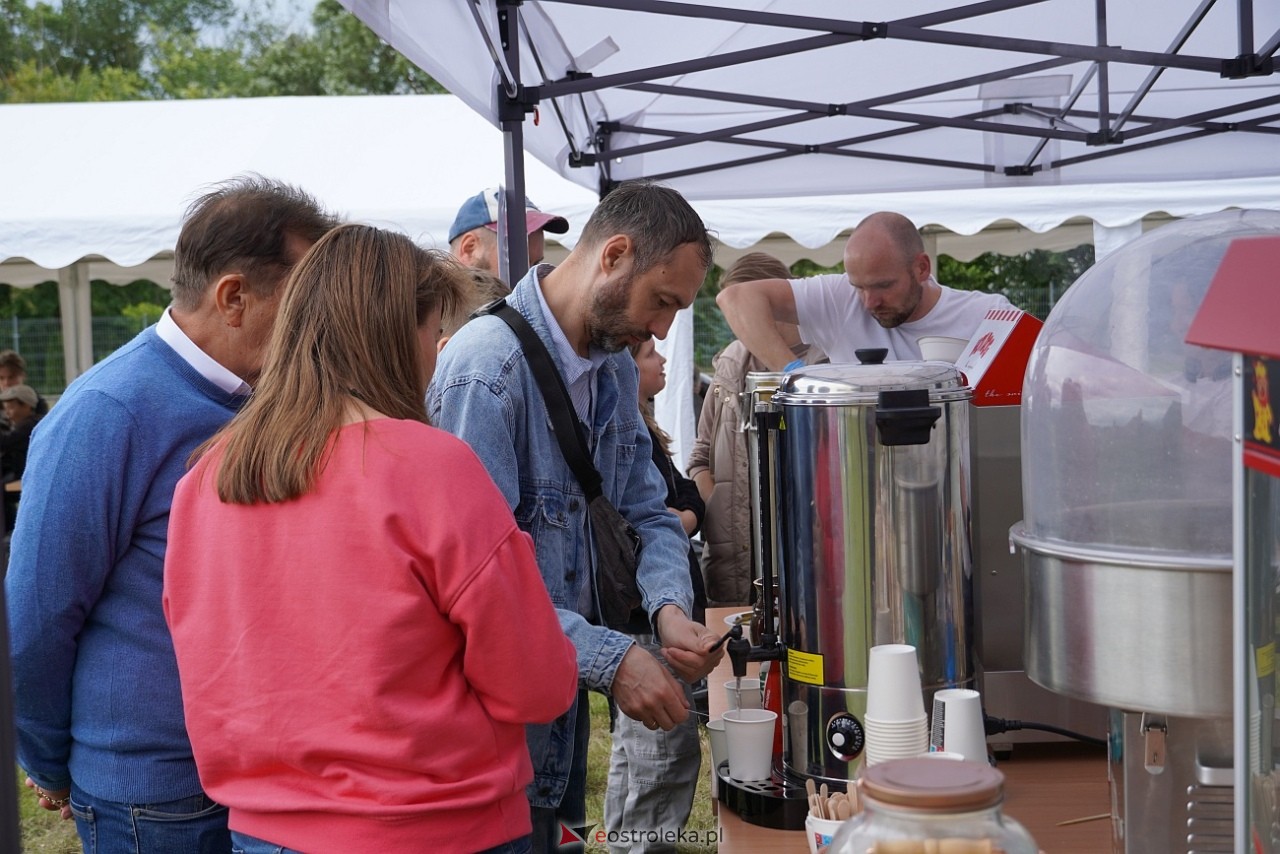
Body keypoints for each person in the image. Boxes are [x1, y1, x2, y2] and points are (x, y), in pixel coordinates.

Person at [163, 224, 578, 854]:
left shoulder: (205, 481)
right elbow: (536, 683)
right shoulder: (431, 467)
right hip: (437, 826)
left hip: (262, 828)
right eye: (433, 334)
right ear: (392, 335)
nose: (437, 355)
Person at [6, 175, 338, 852]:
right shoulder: (108, 412)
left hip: (259, 774)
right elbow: (37, 616)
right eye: (301, 303)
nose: (317, 325)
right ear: (234, 297)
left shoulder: (262, 398)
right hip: (158, 794)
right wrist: (48, 760)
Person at [427, 179, 724, 854]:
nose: (662, 329)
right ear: (614, 255)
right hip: (491, 748)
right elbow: (477, 587)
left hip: (560, 715)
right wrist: (614, 659)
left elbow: (647, 510)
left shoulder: (613, 367)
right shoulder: (485, 372)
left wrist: (669, 609)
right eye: (663, 302)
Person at [604, 338, 706, 854]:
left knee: (639, 749)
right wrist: (672, 523)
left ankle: (626, 843)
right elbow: (653, 518)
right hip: (639, 614)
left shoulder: (645, 433)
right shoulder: (613, 435)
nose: (662, 358)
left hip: (652, 611)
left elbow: (686, 499)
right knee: (662, 749)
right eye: (647, 353)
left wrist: (675, 519)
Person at [688, 252, 826, 606]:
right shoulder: (731, 364)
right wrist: (723, 510)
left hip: (809, 556)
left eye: (741, 311)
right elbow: (700, 457)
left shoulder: (827, 362)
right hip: (734, 564)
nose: (736, 323)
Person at [717, 211, 1014, 368]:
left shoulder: (987, 317)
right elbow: (736, 298)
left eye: (883, 285)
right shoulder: (837, 300)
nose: (869, 302)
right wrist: (794, 373)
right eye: (858, 286)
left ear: (922, 268)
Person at [449, 186, 569, 275]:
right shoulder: (432, 305)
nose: (530, 277)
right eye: (518, 262)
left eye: (535, 265)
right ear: (469, 249)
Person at [0, 349, 49, 424]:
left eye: (11, 377)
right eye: (1, 378)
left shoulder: (35, 402)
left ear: (23, 376)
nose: (6, 383)